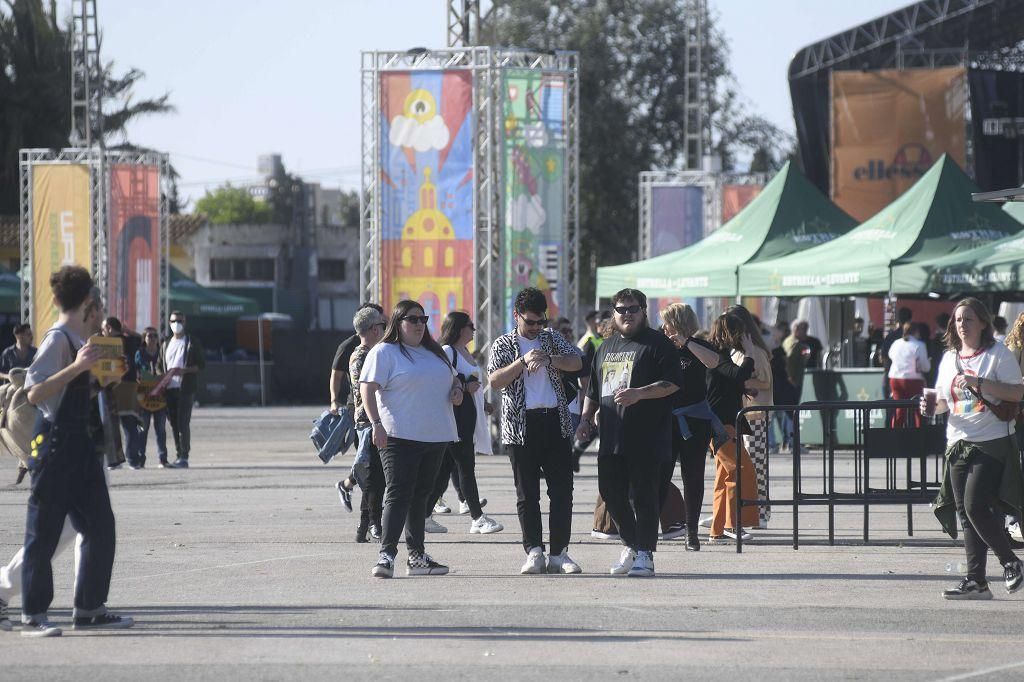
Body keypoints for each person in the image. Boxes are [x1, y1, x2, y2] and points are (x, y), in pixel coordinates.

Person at [20, 266, 133, 636]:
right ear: (88, 304)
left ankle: (89, 608)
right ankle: (33, 614)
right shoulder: (58, 340)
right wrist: (78, 366)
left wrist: (104, 381)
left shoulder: (79, 340)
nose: (100, 311)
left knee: (101, 526)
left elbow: (75, 393)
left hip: (81, 448)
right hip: (54, 447)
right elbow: (34, 393)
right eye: (97, 304)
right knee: (44, 532)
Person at [577, 288, 682, 578]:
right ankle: (632, 545)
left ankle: (645, 554)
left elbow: (672, 383)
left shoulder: (658, 344)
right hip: (611, 437)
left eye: (632, 309)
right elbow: (594, 391)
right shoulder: (606, 347)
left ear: (643, 311)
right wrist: (585, 419)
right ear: (614, 313)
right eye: (621, 309)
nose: (627, 314)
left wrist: (640, 394)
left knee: (645, 498)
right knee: (611, 494)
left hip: (647, 438)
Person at [928, 298, 1023, 600]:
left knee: (974, 505)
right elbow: (943, 401)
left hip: (991, 440)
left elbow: (1017, 392)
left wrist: (979, 382)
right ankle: (976, 581)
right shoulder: (948, 358)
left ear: (983, 322)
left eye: (968, 319)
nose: (962, 325)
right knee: (964, 512)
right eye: (957, 320)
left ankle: (1010, 562)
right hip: (958, 440)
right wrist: (930, 405)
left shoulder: (998, 354)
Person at [360, 300, 463, 579]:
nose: (419, 324)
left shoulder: (435, 353)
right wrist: (376, 424)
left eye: (423, 319)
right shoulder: (385, 352)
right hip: (398, 435)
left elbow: (455, 380)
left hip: (435, 436)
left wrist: (457, 390)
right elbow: (367, 390)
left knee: (421, 496)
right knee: (398, 492)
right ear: (398, 322)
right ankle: (386, 555)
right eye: (412, 319)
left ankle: (417, 557)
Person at [488, 287, 583, 575]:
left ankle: (559, 553)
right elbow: (494, 381)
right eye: (530, 322)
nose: (536, 327)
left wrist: (550, 359)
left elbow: (578, 362)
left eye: (541, 321)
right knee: (527, 494)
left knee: (562, 491)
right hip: (521, 427)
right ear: (516, 316)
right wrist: (521, 362)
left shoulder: (552, 338)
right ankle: (534, 551)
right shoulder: (503, 344)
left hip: (556, 421)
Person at [687, 313, 760, 542]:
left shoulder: (720, 355)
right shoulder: (716, 355)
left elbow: (728, 381)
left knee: (724, 476)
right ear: (731, 333)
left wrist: (741, 389)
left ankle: (717, 529)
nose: (744, 337)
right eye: (740, 333)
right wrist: (750, 353)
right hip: (720, 425)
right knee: (739, 469)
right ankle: (732, 523)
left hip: (723, 423)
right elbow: (737, 374)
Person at [429, 311, 503, 534]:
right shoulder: (447, 351)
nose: (474, 329)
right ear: (459, 328)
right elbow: (441, 380)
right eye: (471, 326)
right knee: (466, 467)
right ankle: (477, 518)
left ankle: (422, 515)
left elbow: (473, 385)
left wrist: (483, 404)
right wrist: (464, 384)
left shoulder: (464, 351)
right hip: (455, 419)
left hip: (469, 416)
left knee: (444, 471)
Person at [661, 303, 712, 551]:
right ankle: (652, 527)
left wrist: (686, 343)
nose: (663, 327)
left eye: (667, 322)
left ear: (678, 323)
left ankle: (691, 531)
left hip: (695, 421)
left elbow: (713, 362)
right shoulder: (659, 346)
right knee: (660, 475)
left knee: (693, 477)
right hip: (665, 421)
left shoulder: (699, 346)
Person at [338, 306, 386, 543]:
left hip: (374, 422)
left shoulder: (374, 352)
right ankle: (373, 524)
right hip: (368, 423)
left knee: (374, 478)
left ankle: (365, 526)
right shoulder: (361, 356)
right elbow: (367, 389)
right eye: (381, 325)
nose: (384, 329)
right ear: (373, 329)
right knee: (374, 479)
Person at [727, 305, 774, 529]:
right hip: (740, 415)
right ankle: (742, 511)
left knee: (757, 466)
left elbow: (765, 381)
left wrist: (742, 382)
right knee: (743, 466)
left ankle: (761, 511)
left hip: (755, 415)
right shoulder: (736, 350)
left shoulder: (756, 351)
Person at [161, 311, 204, 468]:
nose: (176, 323)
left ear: (185, 322)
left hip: (185, 388)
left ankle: (184, 455)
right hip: (169, 388)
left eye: (179, 320)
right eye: (173, 320)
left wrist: (185, 371)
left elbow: (201, 365)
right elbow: (161, 366)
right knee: (173, 423)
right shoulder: (166, 344)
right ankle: (179, 454)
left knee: (183, 421)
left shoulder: (192, 342)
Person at [101, 317, 144, 468]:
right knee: (130, 424)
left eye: (104, 328)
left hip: (114, 385)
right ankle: (134, 460)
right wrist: (129, 332)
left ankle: (115, 460)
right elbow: (142, 339)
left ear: (110, 328)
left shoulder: (105, 344)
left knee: (112, 424)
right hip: (130, 386)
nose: (102, 332)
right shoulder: (130, 341)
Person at [330, 303, 385, 416]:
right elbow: (336, 376)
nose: (384, 329)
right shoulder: (354, 351)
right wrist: (334, 401)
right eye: (382, 325)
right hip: (362, 412)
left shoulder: (380, 347)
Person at [134, 327, 169, 467]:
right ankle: (140, 458)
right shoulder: (140, 353)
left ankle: (162, 458)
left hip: (160, 396)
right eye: (150, 336)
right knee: (143, 429)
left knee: (160, 429)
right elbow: (136, 371)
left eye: (155, 336)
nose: (153, 338)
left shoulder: (162, 352)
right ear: (144, 338)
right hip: (144, 396)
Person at [887, 321, 931, 428]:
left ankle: (896, 435)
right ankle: (919, 437)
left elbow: (890, 355)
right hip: (913, 380)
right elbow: (926, 367)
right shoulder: (919, 345)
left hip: (895, 379)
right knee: (918, 410)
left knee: (899, 409)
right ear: (916, 332)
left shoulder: (896, 343)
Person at [882, 307, 913, 398]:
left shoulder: (890, 336)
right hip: (910, 378)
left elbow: (884, 357)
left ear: (898, 319)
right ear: (911, 319)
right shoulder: (915, 339)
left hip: (892, 376)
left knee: (892, 407)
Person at [783, 320, 810, 399]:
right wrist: (790, 378)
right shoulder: (796, 344)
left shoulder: (787, 340)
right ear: (796, 329)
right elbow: (788, 359)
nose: (805, 332)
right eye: (803, 329)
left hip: (789, 381)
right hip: (793, 382)